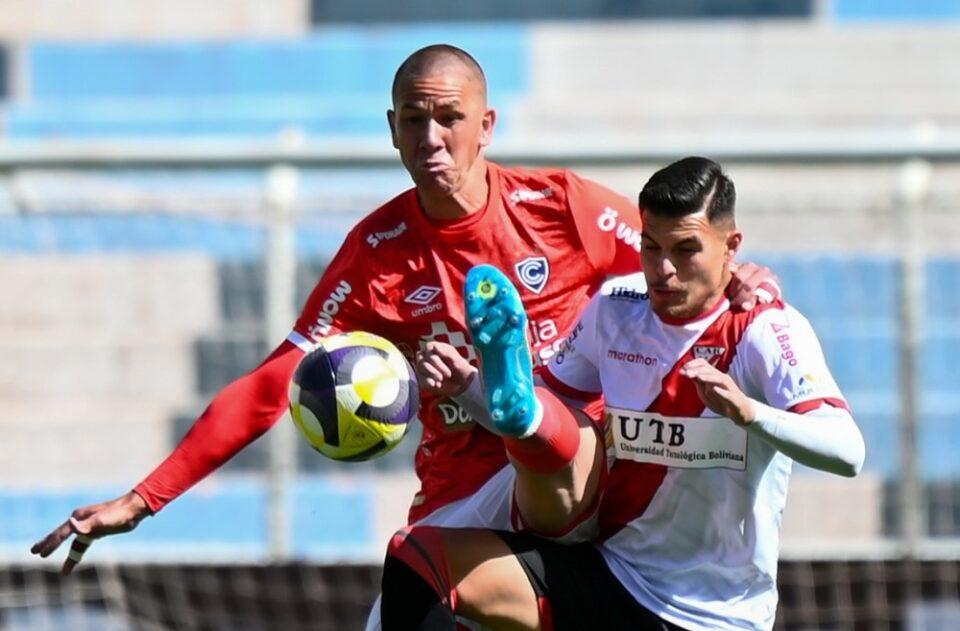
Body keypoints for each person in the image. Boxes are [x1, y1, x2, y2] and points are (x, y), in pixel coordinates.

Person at [30, 46, 776, 582]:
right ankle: (507, 405)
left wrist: (749, 285)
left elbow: (683, 270)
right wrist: (142, 498)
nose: (431, 138)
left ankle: (521, 408)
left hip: (584, 471)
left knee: (554, 431)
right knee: (407, 585)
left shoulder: (562, 208)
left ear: (487, 125)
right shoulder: (377, 253)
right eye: (414, 121)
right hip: (460, 489)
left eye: (449, 118)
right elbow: (272, 387)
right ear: (391, 128)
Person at [380, 157, 865, 631]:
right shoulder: (617, 307)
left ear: (730, 246)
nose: (664, 269)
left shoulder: (765, 331)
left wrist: (749, 413)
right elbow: (550, 403)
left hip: (715, 614)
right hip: (609, 576)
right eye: (651, 248)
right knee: (419, 560)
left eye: (686, 250)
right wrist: (468, 386)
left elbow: (847, 451)